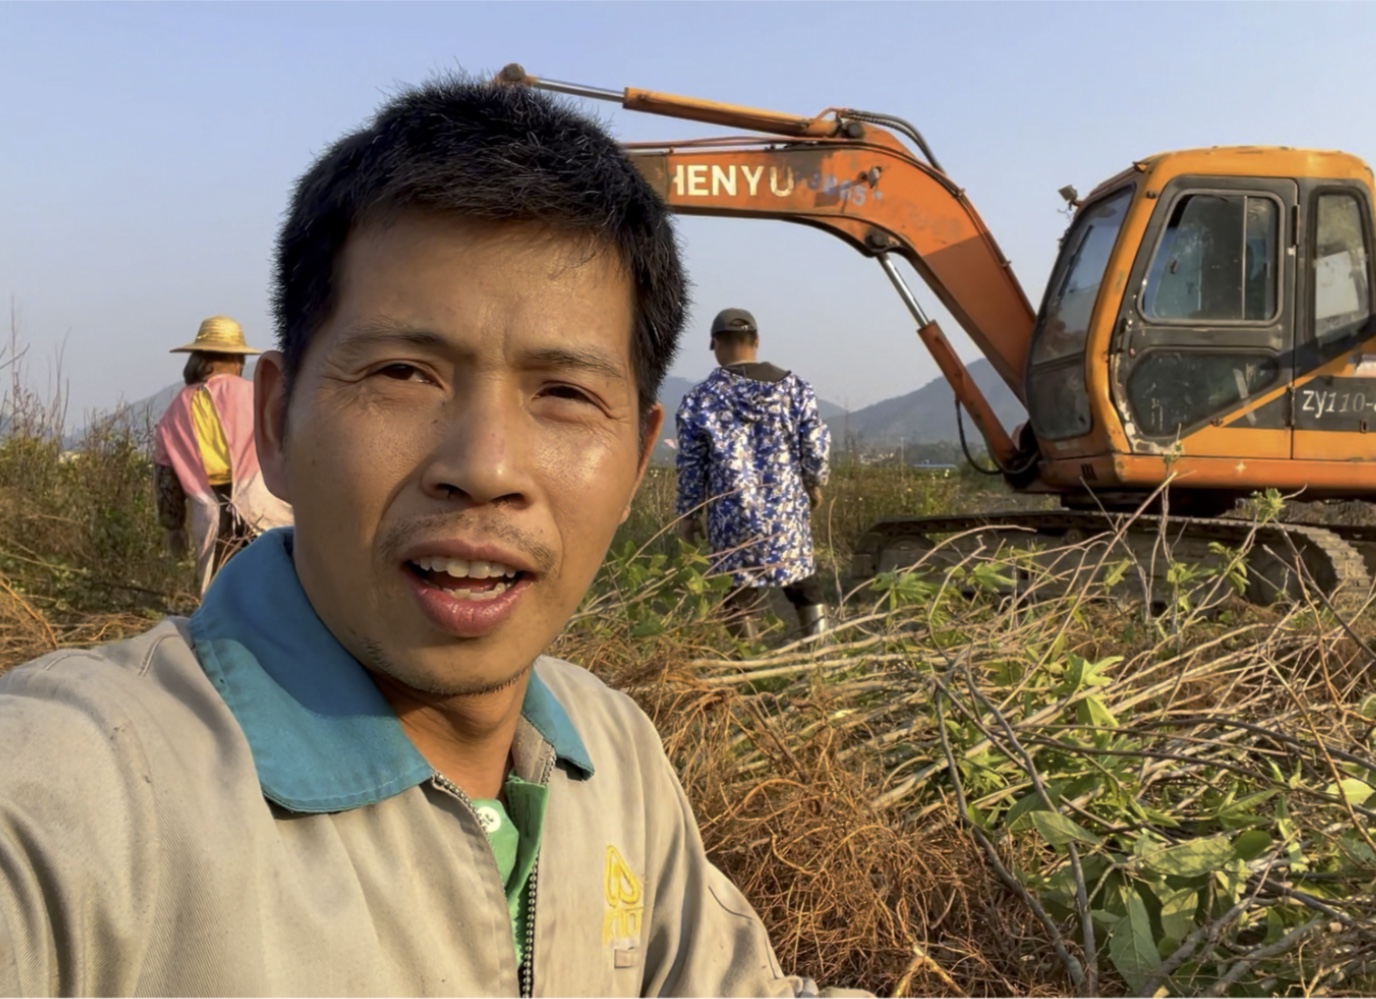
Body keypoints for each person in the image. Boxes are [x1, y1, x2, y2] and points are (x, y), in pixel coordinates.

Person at [0, 73, 850, 997]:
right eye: (403, 372)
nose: (485, 467)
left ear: (638, 459)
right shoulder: (77, 798)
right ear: (276, 423)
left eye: (563, 393)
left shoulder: (612, 752)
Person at [675, 308, 833, 639]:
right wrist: (814, 484)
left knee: (738, 592)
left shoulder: (700, 399)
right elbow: (815, 446)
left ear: (715, 344)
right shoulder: (795, 390)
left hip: (730, 516)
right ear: (757, 341)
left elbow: (691, 464)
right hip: (785, 512)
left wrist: (689, 515)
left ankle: (750, 671)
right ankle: (819, 661)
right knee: (803, 583)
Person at [152, 315, 294, 593]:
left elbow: (166, 481)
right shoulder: (258, 395)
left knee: (220, 598)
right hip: (267, 507)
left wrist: (174, 529)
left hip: (211, 517)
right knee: (281, 590)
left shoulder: (174, 411)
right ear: (235, 359)